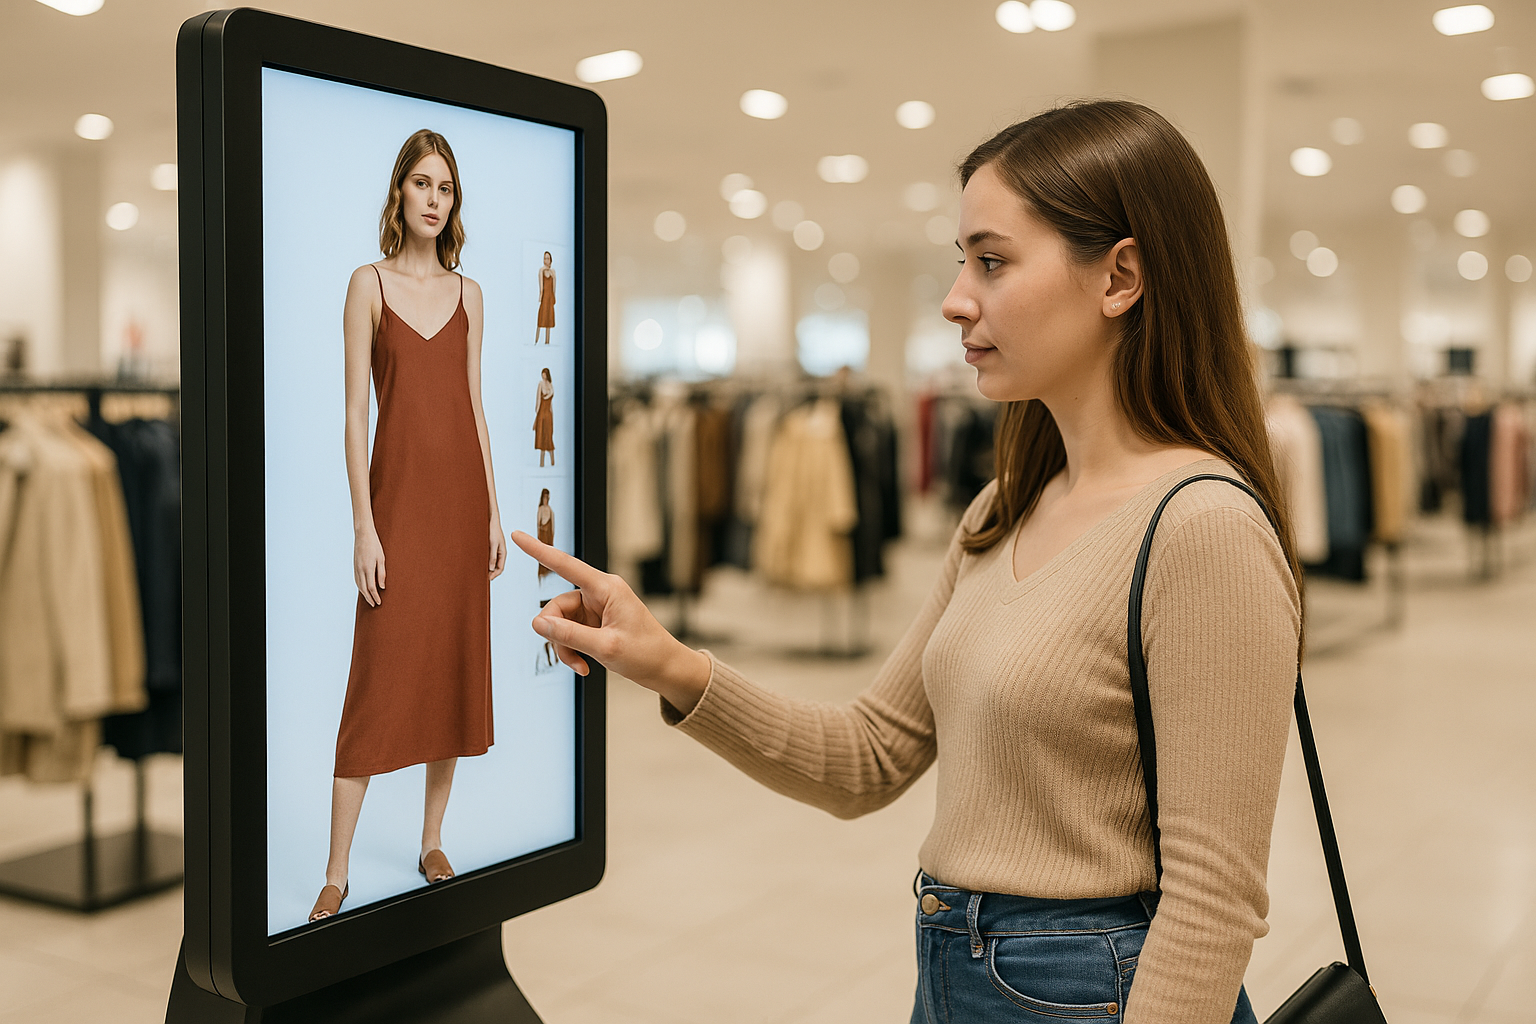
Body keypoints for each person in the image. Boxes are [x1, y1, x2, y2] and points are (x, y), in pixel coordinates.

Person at [512, 100, 1302, 1024]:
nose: (956, 297)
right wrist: (666, 660)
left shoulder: (1203, 527)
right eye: (961, 260)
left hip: (1092, 994)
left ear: (1120, 276)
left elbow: (1212, 906)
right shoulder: (1005, 507)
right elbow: (869, 756)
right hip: (955, 972)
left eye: (992, 260)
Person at [310, 128, 507, 923]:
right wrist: (364, 526)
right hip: (395, 509)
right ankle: (335, 870)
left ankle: (431, 839)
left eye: (446, 189)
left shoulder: (472, 294)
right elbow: (356, 415)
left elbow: (475, 410)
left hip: (460, 511)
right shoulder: (366, 285)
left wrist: (493, 511)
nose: (434, 199)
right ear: (399, 193)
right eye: (422, 184)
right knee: (379, 677)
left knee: (450, 672)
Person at [534, 250, 555, 344]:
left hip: (550, 297)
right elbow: (541, 286)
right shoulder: (541, 270)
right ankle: (536, 340)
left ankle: (547, 341)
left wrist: (554, 297)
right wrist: (541, 296)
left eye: (548, 258)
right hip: (544, 297)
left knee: (549, 318)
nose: (546, 260)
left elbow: (554, 286)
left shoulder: (553, 272)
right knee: (541, 317)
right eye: (545, 258)